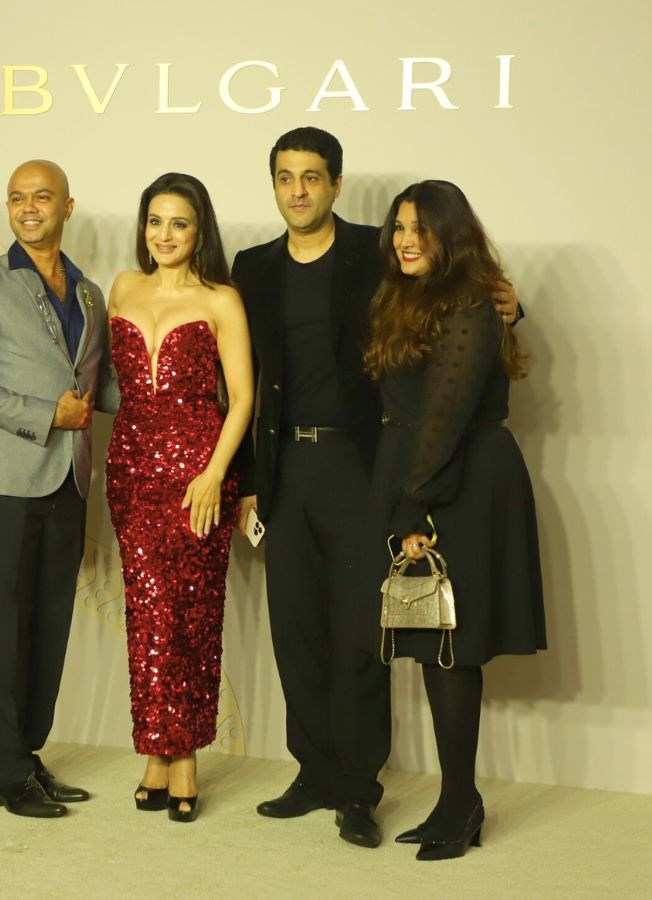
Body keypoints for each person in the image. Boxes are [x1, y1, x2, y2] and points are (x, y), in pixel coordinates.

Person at [231, 127, 520, 849]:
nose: (298, 190)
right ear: (274, 185)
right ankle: (314, 772)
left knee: (360, 633)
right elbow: (243, 377)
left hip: (364, 466)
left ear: (335, 184)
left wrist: (511, 307)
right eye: (285, 177)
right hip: (285, 468)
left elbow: (457, 307)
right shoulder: (252, 266)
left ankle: (359, 788)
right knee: (296, 630)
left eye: (312, 177)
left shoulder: (378, 252)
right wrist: (248, 483)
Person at [360, 180, 546, 861]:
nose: (406, 240)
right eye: (399, 227)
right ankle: (457, 799)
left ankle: (461, 801)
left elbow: (447, 413)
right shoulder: (408, 295)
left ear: (452, 235)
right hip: (425, 471)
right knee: (435, 645)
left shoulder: (470, 301)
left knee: (452, 648)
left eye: (422, 229)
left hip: (459, 480)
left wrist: (414, 506)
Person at [0, 160, 120, 819]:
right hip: (5, 479)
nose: (27, 208)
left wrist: (173, 393)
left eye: (41, 197)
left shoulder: (90, 293)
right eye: (17, 197)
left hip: (70, 479)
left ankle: (27, 754)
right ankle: (5, 774)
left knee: (49, 624)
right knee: (7, 627)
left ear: (66, 207)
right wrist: (48, 415)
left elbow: (101, 386)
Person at [105, 173, 253, 823]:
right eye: (155, 221)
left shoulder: (221, 299)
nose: (165, 235)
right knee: (147, 616)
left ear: (200, 232)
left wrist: (215, 473)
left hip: (197, 474)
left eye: (179, 223)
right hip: (130, 470)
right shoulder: (122, 287)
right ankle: (155, 753)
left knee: (191, 618)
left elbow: (242, 398)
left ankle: (185, 757)